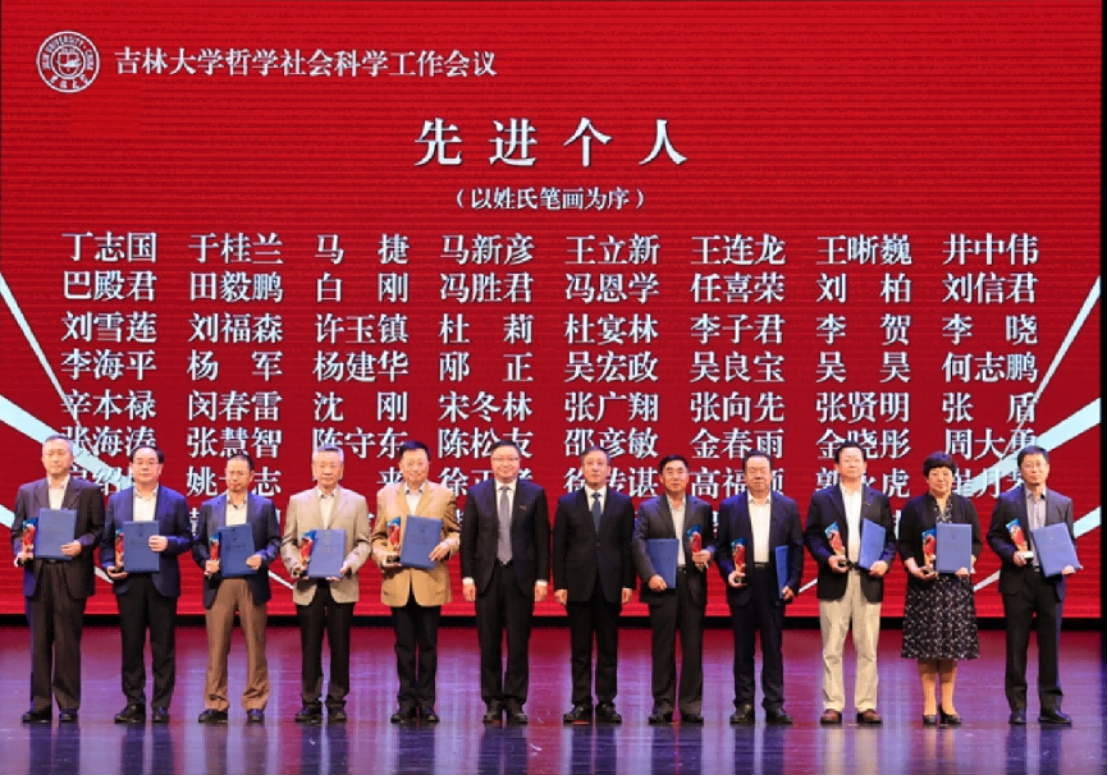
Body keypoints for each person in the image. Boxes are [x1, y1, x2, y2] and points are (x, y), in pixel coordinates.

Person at [12, 435, 105, 723]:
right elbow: (17, 531)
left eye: (61, 453)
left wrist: (81, 544)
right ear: (42, 458)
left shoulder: (88, 491)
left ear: (72, 459)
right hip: (38, 574)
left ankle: (68, 705)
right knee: (39, 643)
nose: (55, 458)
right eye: (50, 453)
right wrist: (21, 552)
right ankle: (40, 704)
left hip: (71, 573)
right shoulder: (27, 492)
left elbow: (98, 529)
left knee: (67, 643)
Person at [804, 440, 896, 726]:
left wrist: (885, 562)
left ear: (866, 465)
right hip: (835, 577)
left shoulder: (878, 499)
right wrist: (827, 558)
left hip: (868, 578)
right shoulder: (822, 499)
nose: (852, 464)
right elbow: (812, 536)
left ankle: (866, 704)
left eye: (857, 460)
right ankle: (833, 704)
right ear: (836, 466)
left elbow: (890, 540)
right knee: (832, 646)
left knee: (867, 647)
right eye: (846, 460)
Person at [460, 439, 549, 725]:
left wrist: (542, 578)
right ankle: (492, 701)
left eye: (511, 459)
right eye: (500, 459)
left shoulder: (534, 494)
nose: (506, 464)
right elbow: (468, 539)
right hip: (487, 576)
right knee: (488, 642)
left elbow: (541, 540)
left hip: (521, 577)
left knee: (518, 642)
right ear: (491, 463)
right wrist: (468, 576)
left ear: (520, 463)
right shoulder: (477, 493)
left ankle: (515, 700)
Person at [987, 445, 1077, 726]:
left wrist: (1068, 562)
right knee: (1016, 646)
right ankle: (1017, 707)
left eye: (1039, 465)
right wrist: (1009, 554)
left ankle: (1050, 706)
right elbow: (994, 536)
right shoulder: (1007, 501)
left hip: (1050, 581)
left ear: (1048, 468)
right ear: (1020, 470)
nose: (1034, 470)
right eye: (1028, 465)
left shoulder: (1063, 503)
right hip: (1018, 581)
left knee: (1050, 647)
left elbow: (1069, 541)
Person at [101, 445, 192, 725]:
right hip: (129, 581)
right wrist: (109, 565)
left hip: (162, 581)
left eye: (150, 462)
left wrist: (168, 543)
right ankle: (134, 703)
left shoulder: (175, 500)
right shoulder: (117, 501)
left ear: (160, 468)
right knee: (131, 645)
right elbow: (107, 541)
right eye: (139, 462)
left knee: (163, 647)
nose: (144, 467)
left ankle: (161, 705)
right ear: (130, 467)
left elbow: (187, 538)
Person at [371, 440, 460, 724]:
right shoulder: (385, 495)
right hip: (398, 579)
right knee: (404, 647)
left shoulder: (444, 495)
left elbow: (455, 532)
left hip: (429, 579)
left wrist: (448, 545)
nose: (415, 468)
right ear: (399, 466)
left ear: (429, 464)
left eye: (420, 463)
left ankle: (428, 703)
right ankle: (406, 702)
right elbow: (377, 537)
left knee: (429, 646)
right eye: (409, 463)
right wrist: (382, 556)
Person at [281, 445, 371, 723]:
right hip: (308, 585)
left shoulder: (357, 502)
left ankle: (336, 701)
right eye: (322, 465)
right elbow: (288, 542)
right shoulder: (298, 501)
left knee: (340, 645)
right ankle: (309, 701)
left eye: (333, 465)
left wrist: (349, 565)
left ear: (342, 469)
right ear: (313, 469)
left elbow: (364, 543)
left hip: (341, 583)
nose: (327, 470)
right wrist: (295, 564)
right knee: (310, 646)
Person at [715, 450, 802, 726]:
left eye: (763, 470)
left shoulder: (787, 506)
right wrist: (728, 572)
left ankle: (775, 704)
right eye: (752, 471)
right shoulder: (730, 507)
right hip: (743, 582)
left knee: (773, 648)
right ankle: (744, 704)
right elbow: (721, 549)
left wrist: (793, 583)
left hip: (774, 583)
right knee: (743, 649)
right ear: (743, 476)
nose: (758, 475)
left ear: (772, 474)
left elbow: (796, 548)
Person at [192, 452, 281, 724]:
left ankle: (255, 702)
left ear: (252, 476)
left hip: (251, 581)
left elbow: (274, 541)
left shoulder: (264, 507)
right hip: (219, 582)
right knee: (217, 645)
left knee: (256, 643)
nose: (234, 478)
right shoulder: (210, 507)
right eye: (230, 472)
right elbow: (198, 543)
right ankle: (215, 702)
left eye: (240, 473)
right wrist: (205, 562)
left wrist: (262, 557)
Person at [552, 446, 635, 725]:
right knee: (580, 649)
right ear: (582, 469)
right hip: (578, 585)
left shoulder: (623, 503)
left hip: (611, 584)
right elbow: (559, 546)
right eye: (590, 463)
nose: (595, 468)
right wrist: (560, 584)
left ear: (609, 470)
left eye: (601, 463)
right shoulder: (567, 503)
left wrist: (628, 582)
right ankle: (581, 703)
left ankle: (607, 702)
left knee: (609, 648)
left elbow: (628, 546)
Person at [897, 451, 981, 726]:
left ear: (954, 478)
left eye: (946, 474)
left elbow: (976, 542)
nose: (941, 479)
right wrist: (913, 567)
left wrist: (968, 562)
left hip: (955, 586)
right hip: (925, 584)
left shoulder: (965, 506)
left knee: (950, 646)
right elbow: (904, 543)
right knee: (927, 646)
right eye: (935, 474)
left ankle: (948, 703)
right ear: (926, 478)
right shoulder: (914, 507)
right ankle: (928, 703)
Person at [631, 454, 715, 725]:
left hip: (692, 584)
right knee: (662, 648)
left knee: (693, 648)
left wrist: (709, 553)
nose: (676, 476)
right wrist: (649, 575)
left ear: (688, 477)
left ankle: (691, 706)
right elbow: (638, 544)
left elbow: (712, 541)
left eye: (680, 471)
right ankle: (663, 705)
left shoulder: (702, 508)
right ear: (661, 478)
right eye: (670, 472)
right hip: (661, 584)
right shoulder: (648, 509)